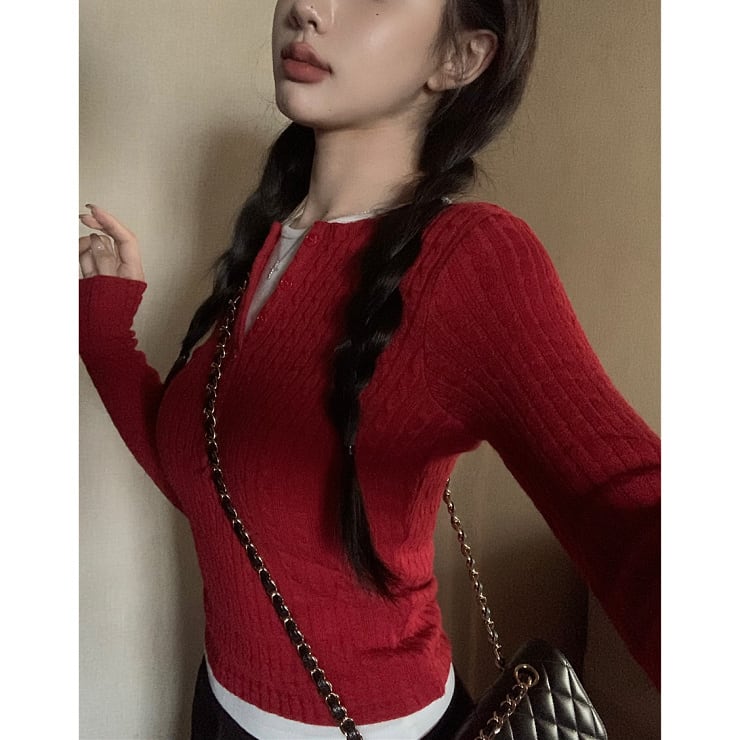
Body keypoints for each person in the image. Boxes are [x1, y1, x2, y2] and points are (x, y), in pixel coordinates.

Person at [79, 1, 660, 738]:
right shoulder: (268, 242)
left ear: (460, 57)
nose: (307, 7)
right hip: (219, 706)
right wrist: (105, 336)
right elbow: (217, 487)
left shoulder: (472, 261)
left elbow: (635, 515)